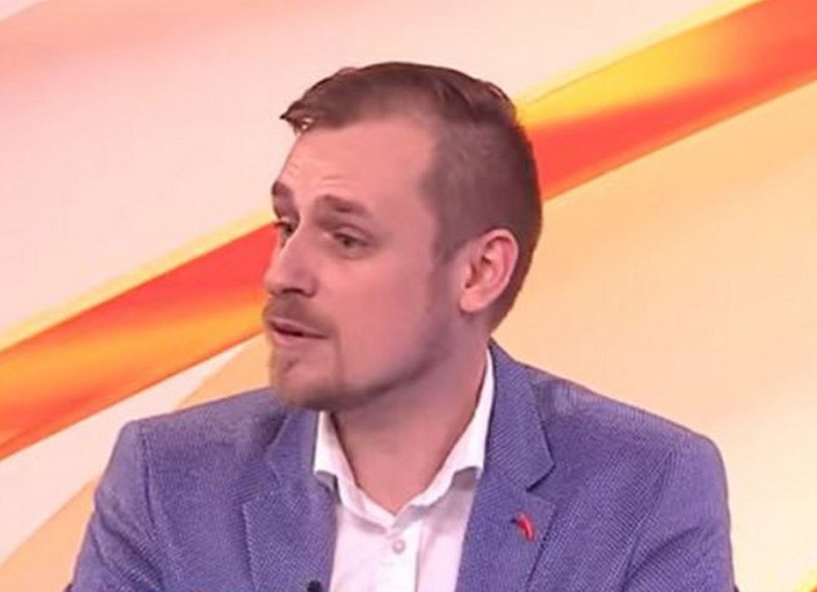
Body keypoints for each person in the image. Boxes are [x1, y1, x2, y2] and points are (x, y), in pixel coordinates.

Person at [68, 62, 734, 591]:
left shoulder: (646, 486)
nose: (282, 273)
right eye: (287, 225)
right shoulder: (168, 481)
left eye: (347, 238)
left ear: (478, 272)